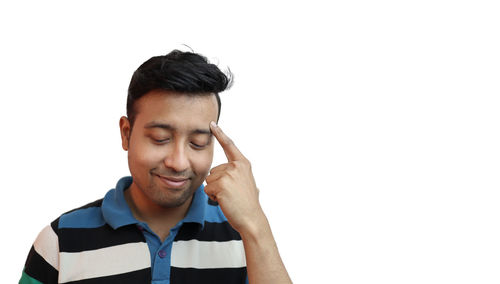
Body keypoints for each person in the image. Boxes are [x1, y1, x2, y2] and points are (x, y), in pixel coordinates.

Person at [19, 50, 292, 284]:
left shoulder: (244, 236)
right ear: (126, 133)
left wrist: (256, 225)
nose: (178, 162)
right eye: (161, 139)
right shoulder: (60, 241)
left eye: (197, 143)